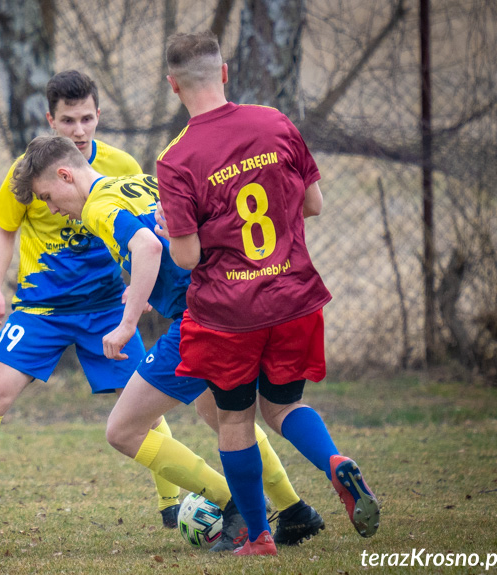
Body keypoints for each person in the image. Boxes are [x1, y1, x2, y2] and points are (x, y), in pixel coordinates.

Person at [11, 134, 326, 551]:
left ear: (65, 176)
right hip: (230, 302)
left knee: (123, 430)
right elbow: (171, 238)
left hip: (199, 319)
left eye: (48, 196)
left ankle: (234, 505)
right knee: (218, 410)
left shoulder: (96, 206)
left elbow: (146, 247)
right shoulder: (141, 183)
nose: (51, 208)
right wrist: (139, 291)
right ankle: (295, 511)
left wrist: (125, 325)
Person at [155, 32, 380, 556]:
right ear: (225, 72)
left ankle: (258, 537)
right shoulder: (275, 122)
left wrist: (179, 232)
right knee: (284, 406)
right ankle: (333, 463)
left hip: (228, 314)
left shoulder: (176, 158)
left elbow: (186, 257)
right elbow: (314, 204)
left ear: (173, 86)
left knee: (236, 419)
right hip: (293, 296)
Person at [0, 70, 184, 531]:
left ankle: (173, 506)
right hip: (39, 309)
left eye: (88, 119)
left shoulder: (121, 165)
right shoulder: (29, 170)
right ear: (51, 119)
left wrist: (137, 286)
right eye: (69, 120)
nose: (80, 130)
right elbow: (5, 229)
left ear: (99, 116)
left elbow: (150, 228)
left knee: (142, 402)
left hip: (106, 306)